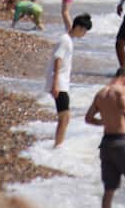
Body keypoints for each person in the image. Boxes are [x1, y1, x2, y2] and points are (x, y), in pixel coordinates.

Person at [85, 66, 125, 208]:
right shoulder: (122, 90)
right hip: (121, 142)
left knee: (109, 189)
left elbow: (88, 118)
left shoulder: (101, 93)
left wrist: (103, 121)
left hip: (106, 144)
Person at [46, 13, 92, 148]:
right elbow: (57, 60)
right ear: (78, 27)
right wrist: (55, 84)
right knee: (64, 117)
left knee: (65, 117)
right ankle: (57, 146)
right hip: (59, 83)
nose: (84, 34)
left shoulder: (68, 40)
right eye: (84, 30)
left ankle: (58, 144)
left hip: (62, 82)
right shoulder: (65, 40)